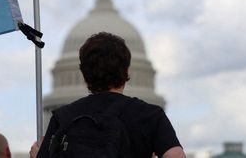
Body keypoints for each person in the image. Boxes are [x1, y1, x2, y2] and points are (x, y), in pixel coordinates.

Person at [31, 32, 186, 158]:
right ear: (126, 71)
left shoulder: (63, 117)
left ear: (84, 74)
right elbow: (176, 156)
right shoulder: (150, 116)